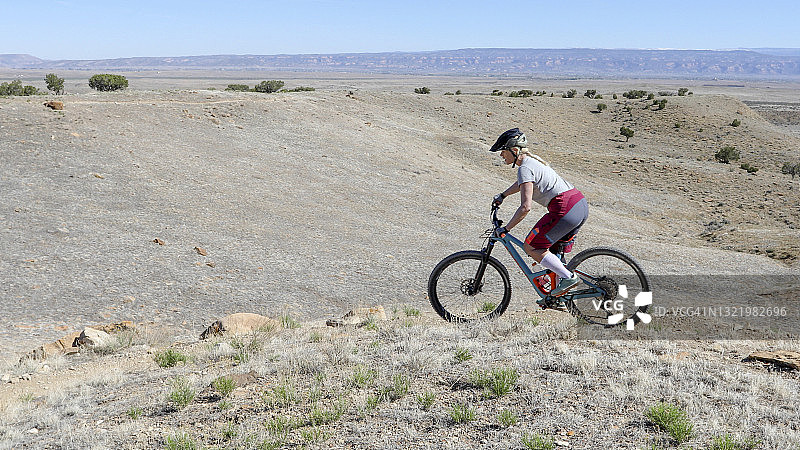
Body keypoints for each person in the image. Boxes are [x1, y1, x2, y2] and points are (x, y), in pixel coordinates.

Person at [489, 128, 588, 296]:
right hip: (579, 205)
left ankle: (569, 278)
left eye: (503, 151)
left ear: (514, 151)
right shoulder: (531, 163)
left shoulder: (525, 168)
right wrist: (503, 195)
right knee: (553, 252)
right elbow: (523, 183)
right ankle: (560, 298)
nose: (501, 156)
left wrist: (506, 229)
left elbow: (525, 207)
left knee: (532, 246)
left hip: (565, 209)